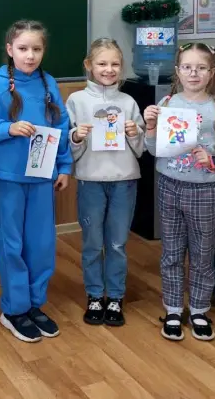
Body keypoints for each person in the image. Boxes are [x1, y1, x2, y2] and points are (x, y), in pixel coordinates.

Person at [0, 20, 72, 343]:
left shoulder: (48, 83)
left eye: (36, 49)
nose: (30, 55)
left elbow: (62, 126)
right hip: (7, 179)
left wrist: (64, 166)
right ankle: (14, 309)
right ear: (10, 49)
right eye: (23, 48)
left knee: (41, 245)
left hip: (41, 178)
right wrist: (8, 128)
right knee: (10, 245)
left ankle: (34, 304)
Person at [143, 43, 215, 343]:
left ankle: (199, 310)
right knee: (172, 253)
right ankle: (173, 309)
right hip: (169, 186)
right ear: (177, 71)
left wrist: (213, 160)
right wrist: (150, 126)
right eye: (187, 67)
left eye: (201, 67)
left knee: (202, 254)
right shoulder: (167, 104)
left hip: (205, 189)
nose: (193, 73)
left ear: (212, 72)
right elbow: (153, 150)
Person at [66, 38, 143, 327]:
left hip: (124, 180)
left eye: (115, 64)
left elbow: (141, 149)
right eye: (102, 63)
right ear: (89, 65)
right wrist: (76, 136)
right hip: (91, 179)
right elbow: (68, 145)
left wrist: (135, 133)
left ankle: (116, 296)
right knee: (92, 242)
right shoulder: (76, 100)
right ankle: (95, 295)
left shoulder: (128, 102)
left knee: (118, 243)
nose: (108, 69)